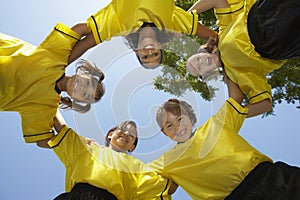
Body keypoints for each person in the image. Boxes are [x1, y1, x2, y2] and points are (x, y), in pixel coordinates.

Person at [147, 76, 300, 199]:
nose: (177, 127)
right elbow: (138, 177)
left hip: (269, 176)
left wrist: (226, 71)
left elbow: (236, 97)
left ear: (190, 117)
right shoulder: (167, 161)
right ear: (165, 133)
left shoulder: (215, 124)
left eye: (180, 119)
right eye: (169, 126)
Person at [185, 0, 300, 117]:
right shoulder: (234, 75)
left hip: (262, 13)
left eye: (197, 59)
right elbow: (264, 104)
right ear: (206, 74)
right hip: (275, 42)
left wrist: (186, 16)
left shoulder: (223, 33)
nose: (200, 63)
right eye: (199, 68)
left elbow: (218, 1)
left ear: (204, 51)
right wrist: (235, 116)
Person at [0, 23, 105, 148]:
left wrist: (77, 144)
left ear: (76, 100)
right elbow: (80, 30)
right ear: (84, 74)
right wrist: (102, 27)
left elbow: (43, 140)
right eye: (88, 83)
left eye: (84, 94)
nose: (82, 87)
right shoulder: (57, 57)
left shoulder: (47, 106)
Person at [49, 110, 178, 200]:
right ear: (110, 134)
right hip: (76, 195)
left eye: (132, 135)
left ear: (132, 146)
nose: (126, 134)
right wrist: (53, 94)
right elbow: (59, 125)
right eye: (123, 129)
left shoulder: (138, 167)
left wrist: (185, 154)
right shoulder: (87, 149)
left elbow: (168, 187)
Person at [67, 0, 218, 68]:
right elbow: (213, 36)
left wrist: (57, 67)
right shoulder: (172, 23)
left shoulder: (119, 25)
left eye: (145, 57)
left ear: (136, 51)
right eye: (155, 55)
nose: (150, 52)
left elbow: (85, 43)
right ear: (160, 47)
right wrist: (213, 51)